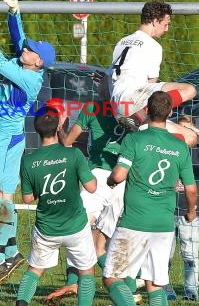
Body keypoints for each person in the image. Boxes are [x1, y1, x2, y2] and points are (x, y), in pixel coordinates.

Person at [0, 0, 56, 284]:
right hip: (10, 137)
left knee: (1, 199)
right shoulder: (28, 65)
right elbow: (20, 40)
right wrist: (14, 13)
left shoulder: (28, 78)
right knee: (4, 198)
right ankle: (14, 253)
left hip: (5, 140)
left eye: (31, 50)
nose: (26, 49)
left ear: (38, 62)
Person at [103, 91, 197, 306]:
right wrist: (191, 212)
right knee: (154, 284)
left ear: (146, 110)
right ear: (170, 113)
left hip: (135, 221)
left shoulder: (135, 139)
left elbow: (118, 175)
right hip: (163, 224)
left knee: (111, 276)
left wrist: (110, 180)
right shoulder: (180, 146)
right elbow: (191, 189)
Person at [45, 100, 142, 305]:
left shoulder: (94, 107)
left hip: (98, 177)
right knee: (108, 242)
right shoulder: (134, 107)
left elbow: (67, 142)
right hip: (124, 179)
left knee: (77, 230)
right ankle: (129, 288)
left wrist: (61, 128)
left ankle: (74, 281)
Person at [16, 107, 97, 306]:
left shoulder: (28, 161)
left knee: (34, 270)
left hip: (47, 229)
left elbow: (27, 198)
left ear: (35, 129)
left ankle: (21, 303)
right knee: (86, 271)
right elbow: (92, 187)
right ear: (59, 126)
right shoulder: (74, 154)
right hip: (76, 226)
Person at [109, 0, 197, 133]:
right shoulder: (153, 46)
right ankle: (139, 118)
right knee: (190, 90)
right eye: (165, 24)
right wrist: (165, 107)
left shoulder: (122, 42)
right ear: (155, 21)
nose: (167, 29)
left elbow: (105, 82)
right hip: (134, 102)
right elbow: (152, 84)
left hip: (115, 105)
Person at [165, 115, 199, 301]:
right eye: (179, 128)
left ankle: (191, 291)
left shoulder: (197, 150)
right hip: (167, 208)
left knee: (190, 253)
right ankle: (166, 289)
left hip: (191, 211)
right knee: (166, 254)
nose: (182, 132)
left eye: (186, 128)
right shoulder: (168, 148)